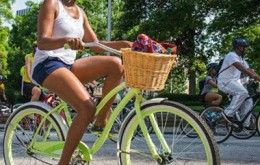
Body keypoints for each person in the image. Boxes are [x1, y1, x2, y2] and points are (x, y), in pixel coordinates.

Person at [31, 0, 132, 164]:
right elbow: (42, 42)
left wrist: (125, 45)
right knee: (87, 108)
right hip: (47, 64)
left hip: (69, 65)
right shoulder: (52, 3)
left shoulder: (81, 12)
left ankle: (100, 120)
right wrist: (65, 40)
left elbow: (96, 45)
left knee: (116, 64)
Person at [217, 38, 260, 128]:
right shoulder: (231, 55)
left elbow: (249, 70)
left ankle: (245, 123)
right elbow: (242, 69)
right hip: (225, 82)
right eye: (244, 47)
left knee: (249, 100)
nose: (246, 49)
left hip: (234, 83)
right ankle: (227, 114)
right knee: (242, 92)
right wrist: (254, 77)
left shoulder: (242, 59)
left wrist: (258, 77)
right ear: (238, 47)